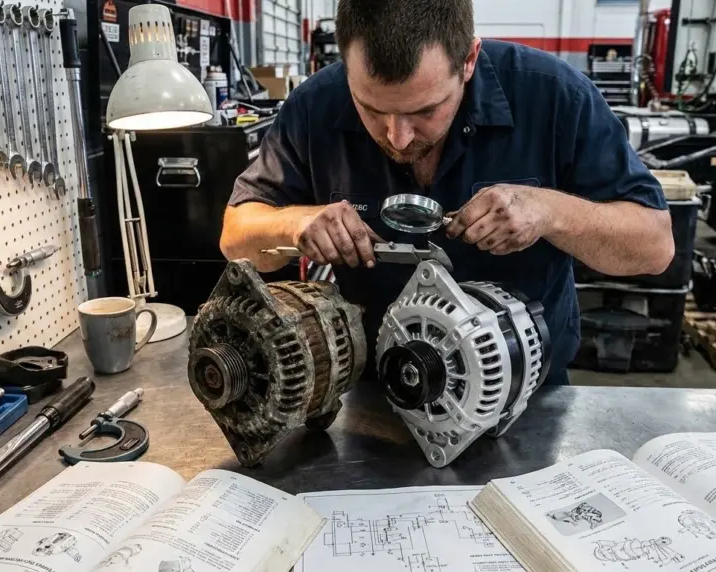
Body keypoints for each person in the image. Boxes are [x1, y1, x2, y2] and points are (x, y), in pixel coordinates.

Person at [220, 0, 674, 386]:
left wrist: (550, 212)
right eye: (371, 109)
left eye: (425, 110)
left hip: (524, 393)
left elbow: (654, 247)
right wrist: (295, 223)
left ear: (470, 60)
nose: (397, 137)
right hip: (376, 389)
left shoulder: (555, 98)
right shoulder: (314, 106)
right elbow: (235, 236)